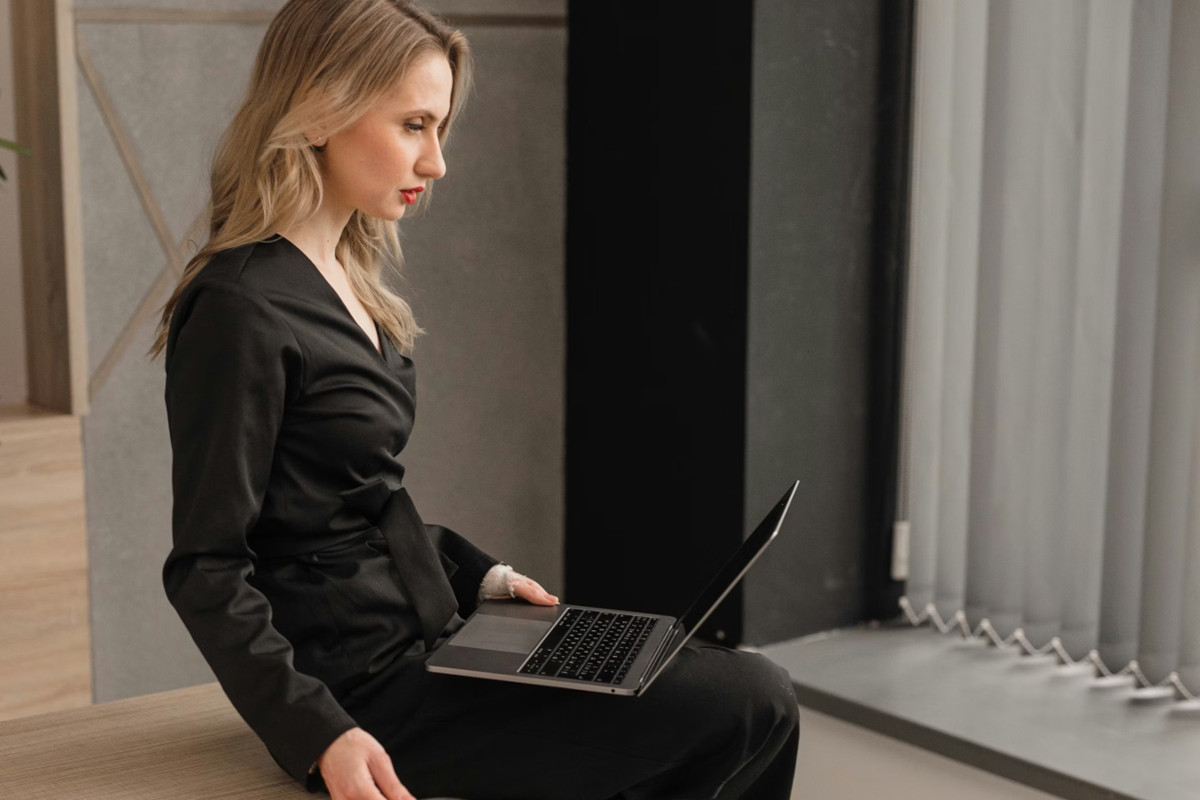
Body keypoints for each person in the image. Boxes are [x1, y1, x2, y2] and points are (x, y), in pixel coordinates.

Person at [149, 1, 800, 798]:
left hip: (434, 636)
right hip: (365, 695)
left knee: (716, 680)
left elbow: (346, 508)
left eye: (439, 128)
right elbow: (207, 567)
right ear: (322, 106)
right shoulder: (239, 308)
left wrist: (478, 578)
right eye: (415, 125)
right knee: (753, 705)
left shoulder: (344, 277)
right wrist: (319, 733)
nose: (437, 163)